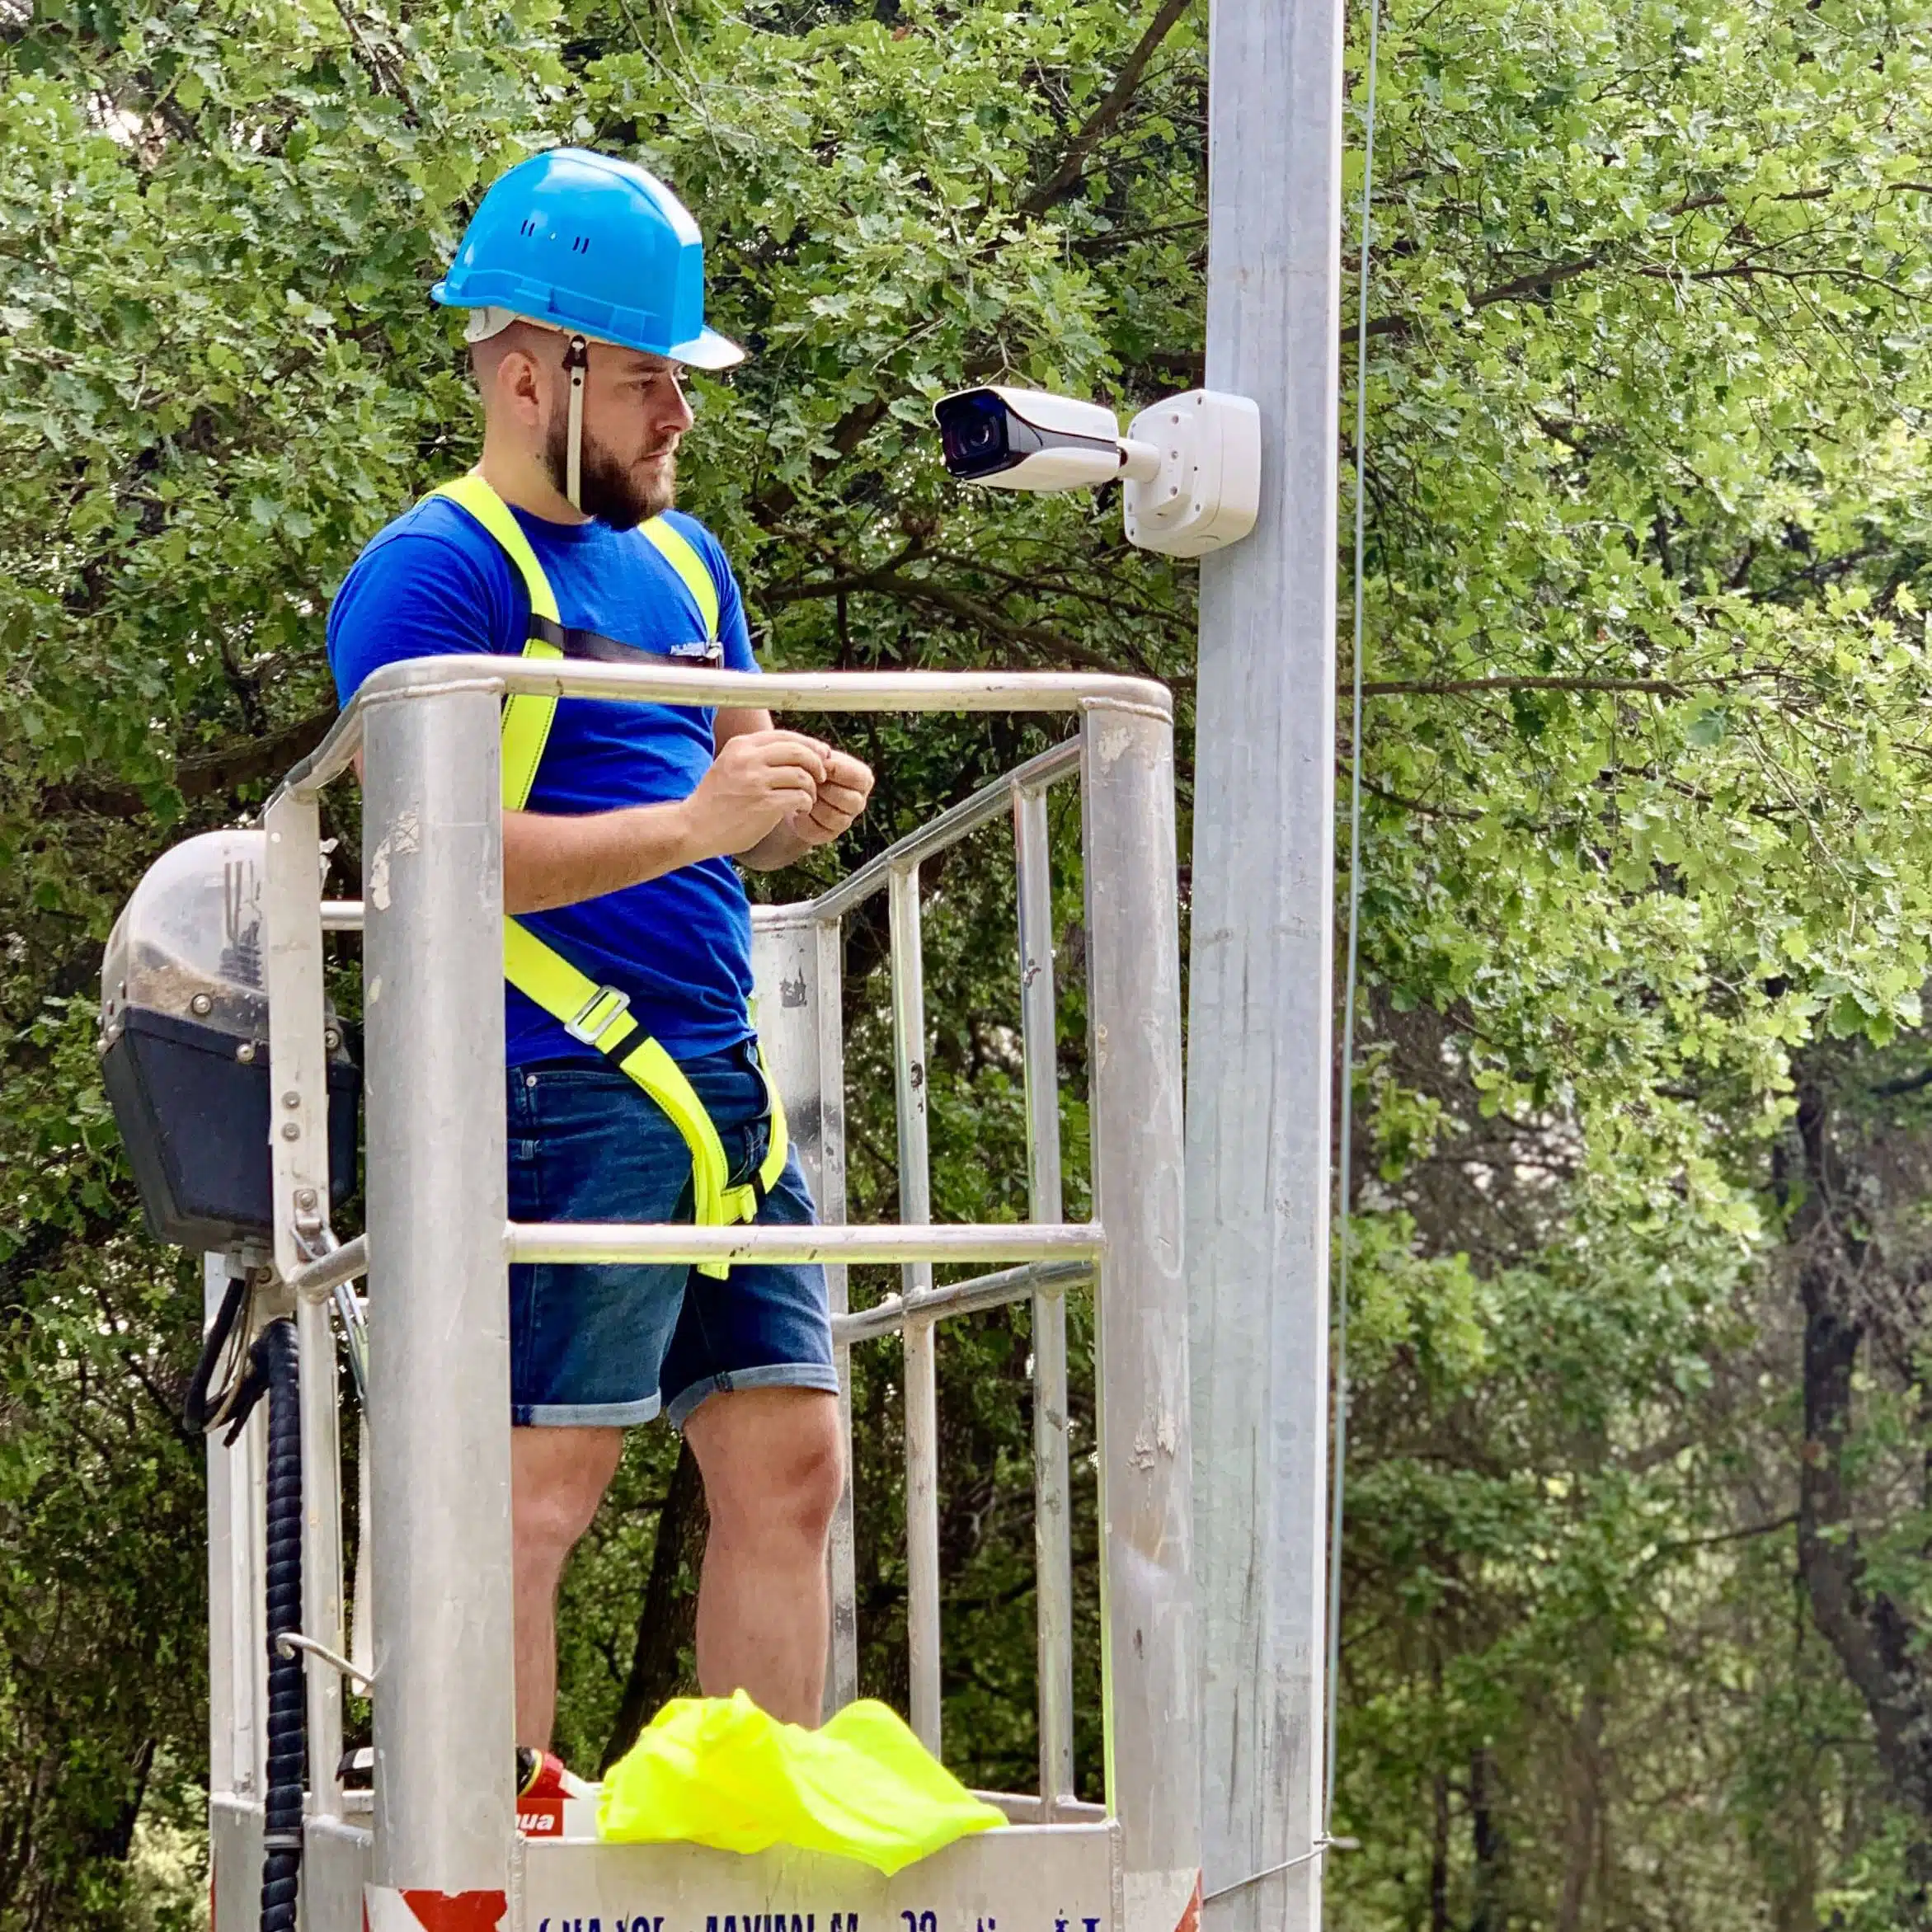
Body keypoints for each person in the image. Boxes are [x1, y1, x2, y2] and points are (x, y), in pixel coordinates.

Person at [327, 148, 873, 1770]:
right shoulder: (438, 570)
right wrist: (711, 822)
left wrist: (794, 806)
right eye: (645, 381)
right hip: (555, 1076)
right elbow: (433, 865)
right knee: (543, 1486)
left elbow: (734, 779)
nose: (678, 417)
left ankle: (752, 1824)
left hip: (717, 1080)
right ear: (525, 372)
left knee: (792, 1464)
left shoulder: (689, 565)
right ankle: (486, 1829)